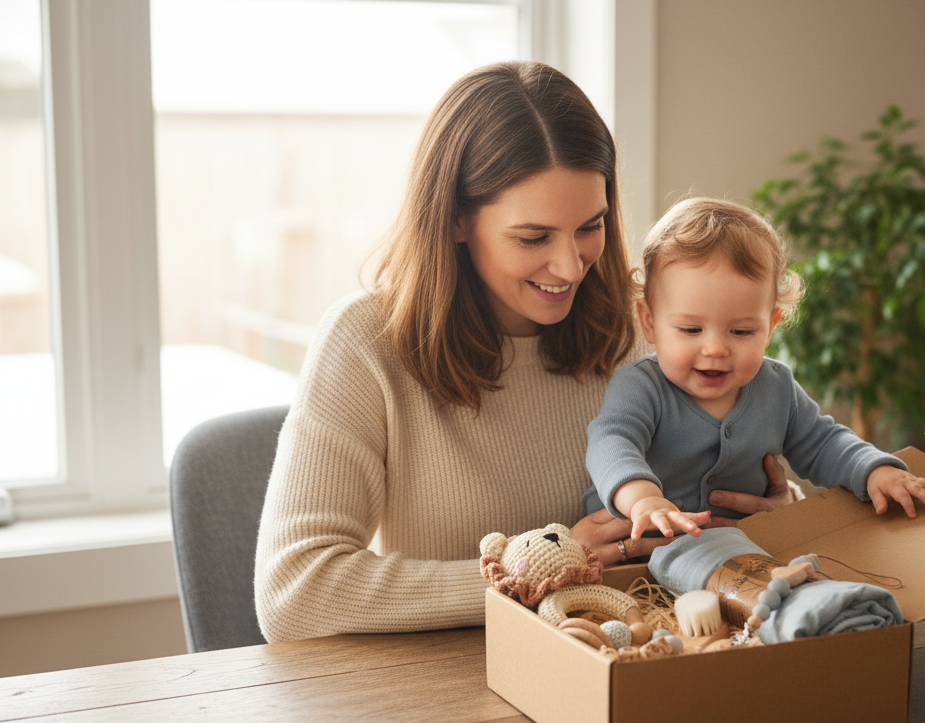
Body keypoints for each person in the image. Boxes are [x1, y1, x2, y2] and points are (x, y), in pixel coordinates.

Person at [254, 64, 793, 642]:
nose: (569, 267)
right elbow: (295, 591)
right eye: (533, 237)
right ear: (456, 219)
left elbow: (764, 490)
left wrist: (787, 521)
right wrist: (543, 570)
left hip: (644, 662)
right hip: (449, 691)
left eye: (591, 226)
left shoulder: (657, 333)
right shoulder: (365, 343)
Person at [584, 197, 925, 543]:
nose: (715, 349)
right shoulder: (641, 386)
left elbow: (823, 442)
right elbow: (612, 442)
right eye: (691, 330)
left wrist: (875, 470)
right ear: (649, 322)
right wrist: (643, 499)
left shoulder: (776, 388)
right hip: (641, 546)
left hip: (740, 546)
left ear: (771, 326)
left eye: (742, 331)